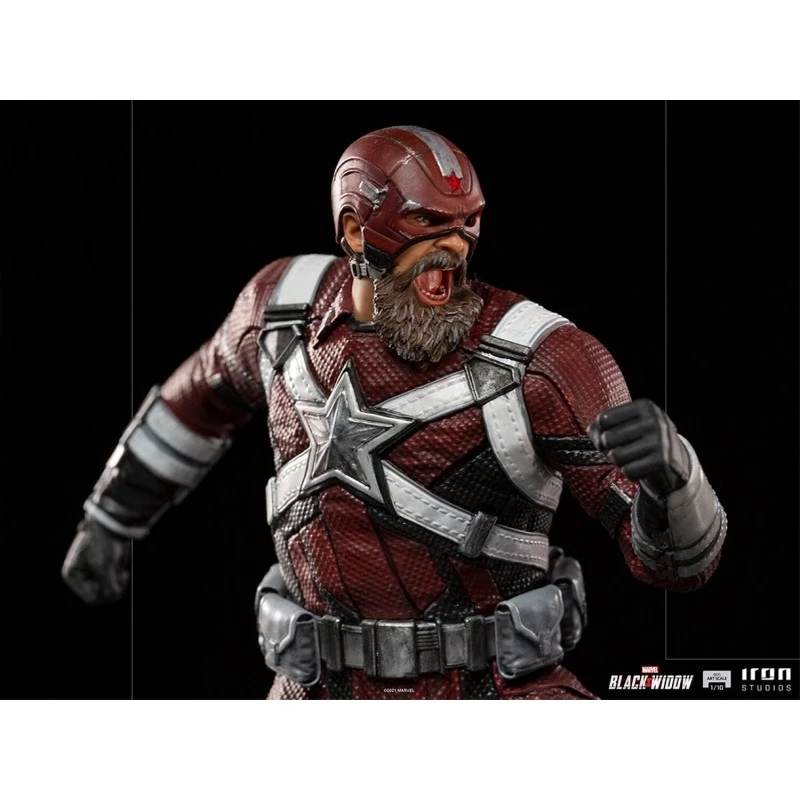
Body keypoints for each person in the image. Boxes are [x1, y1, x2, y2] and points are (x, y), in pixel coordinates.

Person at [62, 125, 727, 699]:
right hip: (313, 692)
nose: (454, 251)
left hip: (495, 694)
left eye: (467, 225)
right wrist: (112, 515)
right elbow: (196, 401)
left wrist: (675, 482)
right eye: (427, 225)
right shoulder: (281, 311)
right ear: (356, 230)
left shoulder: (545, 358)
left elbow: (678, 567)